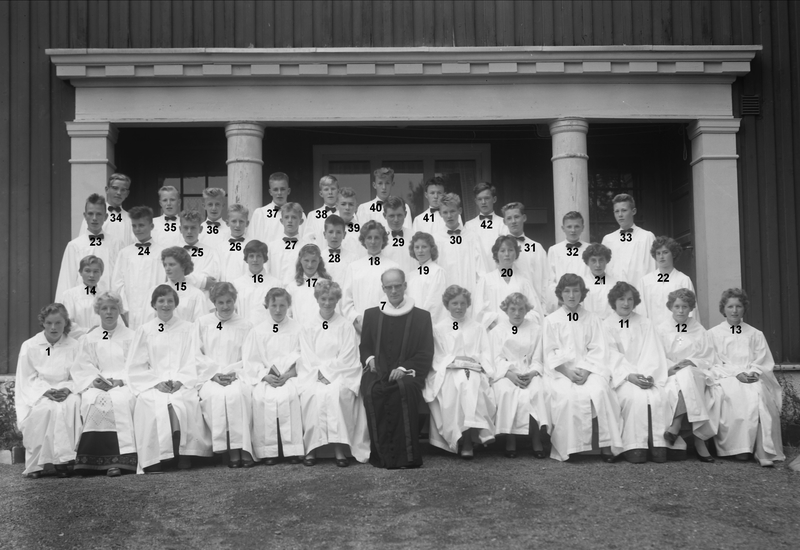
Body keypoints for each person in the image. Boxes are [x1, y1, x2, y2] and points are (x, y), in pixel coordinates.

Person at [127, 285, 212, 473]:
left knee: (185, 400)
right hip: (155, 383)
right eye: (161, 301)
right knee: (149, 402)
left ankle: (184, 453)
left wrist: (181, 380)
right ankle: (156, 456)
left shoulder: (188, 328)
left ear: (175, 304)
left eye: (170, 301)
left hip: (182, 381)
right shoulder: (145, 330)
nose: (165, 305)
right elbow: (136, 364)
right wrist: (156, 383)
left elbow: (194, 358)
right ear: (154, 304)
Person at [359, 268, 435, 468]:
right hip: (378, 371)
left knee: (404, 389)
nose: (393, 291)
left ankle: (407, 457)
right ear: (383, 288)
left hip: (408, 372)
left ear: (405, 286)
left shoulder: (421, 316)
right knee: (374, 390)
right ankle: (381, 456)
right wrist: (370, 359)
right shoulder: (372, 315)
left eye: (397, 286)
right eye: (389, 287)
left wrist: (404, 368)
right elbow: (365, 346)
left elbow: (426, 351)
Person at [543, 274, 622, 462]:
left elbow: (598, 348)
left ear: (582, 293)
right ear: (560, 294)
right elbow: (549, 351)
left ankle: (606, 445)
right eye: (567, 291)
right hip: (562, 371)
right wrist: (567, 372)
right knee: (568, 397)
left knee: (600, 391)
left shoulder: (592, 318)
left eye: (576, 291)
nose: (571, 296)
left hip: (590, 369)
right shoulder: (552, 320)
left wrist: (586, 370)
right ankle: (572, 447)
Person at [297, 280, 370, 466]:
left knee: (337, 393)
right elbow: (307, 357)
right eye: (323, 298)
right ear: (317, 299)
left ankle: (339, 448)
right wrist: (320, 374)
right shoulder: (308, 326)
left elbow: (349, 357)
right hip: (313, 376)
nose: (327, 303)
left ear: (337, 300)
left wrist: (328, 374)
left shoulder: (345, 325)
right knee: (313, 394)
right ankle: (312, 448)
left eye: (331, 299)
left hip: (341, 375)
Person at [709, 288, 784, 466]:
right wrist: (736, 374)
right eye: (730, 306)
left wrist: (754, 372)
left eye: (739, 306)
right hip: (726, 376)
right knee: (736, 395)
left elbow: (763, 360)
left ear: (744, 308)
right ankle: (739, 447)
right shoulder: (712, 334)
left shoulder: (755, 334)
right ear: (723, 309)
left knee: (758, 394)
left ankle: (763, 449)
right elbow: (712, 362)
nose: (734, 310)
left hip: (751, 376)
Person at [424, 285, 496, 459]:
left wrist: (476, 360)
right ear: (447, 305)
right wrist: (455, 360)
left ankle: (468, 440)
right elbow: (438, 357)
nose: (459, 307)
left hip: (474, 370)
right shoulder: (439, 328)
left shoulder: (477, 327)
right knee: (463, 382)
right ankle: (475, 432)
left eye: (463, 303)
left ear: (468, 304)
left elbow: (486, 353)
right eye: (454, 303)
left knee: (468, 381)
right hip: (448, 372)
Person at [602, 282, 670, 463]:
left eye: (630, 299)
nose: (626, 303)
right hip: (622, 377)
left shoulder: (645, 323)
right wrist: (628, 376)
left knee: (657, 397)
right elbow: (609, 355)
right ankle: (634, 446)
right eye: (621, 299)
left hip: (645, 374)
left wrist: (648, 375)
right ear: (614, 301)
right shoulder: (606, 325)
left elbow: (652, 351)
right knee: (633, 397)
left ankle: (657, 444)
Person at [71, 292, 137, 476]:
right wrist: (94, 380)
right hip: (97, 384)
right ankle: (89, 460)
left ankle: (120, 461)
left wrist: (121, 380)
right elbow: (83, 365)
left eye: (113, 308)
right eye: (104, 308)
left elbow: (137, 364)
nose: (109, 312)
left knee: (120, 401)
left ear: (119, 310)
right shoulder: (89, 338)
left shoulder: (132, 336)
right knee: (92, 401)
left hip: (124, 384)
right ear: (98, 311)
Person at [14, 304, 82, 478]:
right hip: (40, 391)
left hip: (67, 390)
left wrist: (68, 389)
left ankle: (63, 461)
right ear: (43, 323)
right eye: (49, 323)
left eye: (58, 323)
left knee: (70, 406)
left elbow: (79, 374)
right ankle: (36, 464)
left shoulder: (74, 345)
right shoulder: (30, 345)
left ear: (65, 323)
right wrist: (44, 391)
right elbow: (26, 377)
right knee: (44, 409)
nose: (53, 327)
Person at [194, 282, 256, 468]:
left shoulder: (245, 325)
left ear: (234, 301)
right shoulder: (203, 323)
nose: (225, 306)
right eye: (220, 302)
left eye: (229, 301)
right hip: (211, 376)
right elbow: (196, 354)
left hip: (237, 375)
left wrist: (234, 373)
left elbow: (250, 356)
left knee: (237, 395)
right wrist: (213, 374)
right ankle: (229, 450)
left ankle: (243, 448)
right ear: (214, 303)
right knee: (216, 396)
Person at [242, 287, 304, 465]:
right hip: (267, 378)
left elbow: (304, 356)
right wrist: (264, 376)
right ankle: (268, 451)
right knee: (262, 398)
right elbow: (251, 360)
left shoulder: (298, 329)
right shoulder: (258, 331)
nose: (278, 310)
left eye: (282, 305)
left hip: (290, 376)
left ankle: (292, 450)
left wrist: (290, 374)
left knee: (290, 396)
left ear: (288, 305)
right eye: (273, 305)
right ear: (267, 306)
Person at [655, 288, 717, 462]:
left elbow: (708, 356)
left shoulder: (699, 330)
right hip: (671, 373)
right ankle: (699, 440)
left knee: (688, 375)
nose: (681, 311)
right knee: (682, 379)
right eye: (677, 306)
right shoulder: (661, 330)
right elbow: (656, 355)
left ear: (691, 308)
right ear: (670, 307)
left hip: (695, 372)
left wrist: (691, 362)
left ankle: (675, 426)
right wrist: (670, 368)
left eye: (685, 306)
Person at [490, 293, 549, 458]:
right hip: (506, 373)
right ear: (506, 310)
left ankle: (536, 439)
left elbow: (538, 358)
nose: (517, 313)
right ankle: (510, 439)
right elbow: (495, 358)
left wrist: (532, 373)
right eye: (513, 309)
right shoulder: (497, 331)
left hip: (529, 371)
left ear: (526, 310)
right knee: (506, 392)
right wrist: (509, 374)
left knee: (537, 391)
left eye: (521, 309)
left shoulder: (536, 330)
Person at [56, 193, 122, 301]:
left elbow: (120, 279)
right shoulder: (74, 246)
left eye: (99, 214)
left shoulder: (116, 244)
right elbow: (66, 280)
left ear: (106, 217)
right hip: (81, 303)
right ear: (85, 216)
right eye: (90, 214)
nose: (94, 218)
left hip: (108, 304)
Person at [110, 205, 166, 330]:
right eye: (134, 226)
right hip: (129, 314)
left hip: (154, 313)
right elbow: (117, 284)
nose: (137, 229)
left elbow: (165, 285)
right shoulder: (125, 253)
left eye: (141, 225)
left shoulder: (161, 253)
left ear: (151, 226)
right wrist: (123, 310)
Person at [341, 220, 399, 334]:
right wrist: (356, 321)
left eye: (377, 238)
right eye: (369, 238)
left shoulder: (393, 267)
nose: (373, 242)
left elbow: (397, 298)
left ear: (383, 240)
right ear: (363, 240)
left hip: (386, 326)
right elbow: (346, 300)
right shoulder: (354, 267)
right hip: (358, 328)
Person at [474, 235, 542, 329]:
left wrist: (518, 324)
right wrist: (498, 329)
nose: (507, 254)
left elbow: (535, 311)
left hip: (520, 331)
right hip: (494, 332)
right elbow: (479, 311)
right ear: (496, 254)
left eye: (510, 250)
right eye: (502, 251)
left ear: (516, 253)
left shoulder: (523, 282)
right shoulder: (486, 280)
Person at [434, 193, 486, 296]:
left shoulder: (472, 237)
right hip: (445, 293)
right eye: (445, 212)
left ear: (460, 211)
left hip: (469, 291)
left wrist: (480, 295)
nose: (449, 216)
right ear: (440, 214)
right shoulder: (436, 239)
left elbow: (481, 271)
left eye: (452, 211)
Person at [638, 236, 696, 327]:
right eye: (658, 253)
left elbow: (691, 311)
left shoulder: (683, 280)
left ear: (673, 254)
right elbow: (641, 311)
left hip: (677, 331)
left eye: (665, 252)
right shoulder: (645, 281)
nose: (661, 257)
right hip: (653, 331)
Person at [501, 202, 548, 312]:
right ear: (504, 222)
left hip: (533, 307)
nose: (513, 221)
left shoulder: (537, 248)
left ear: (524, 218)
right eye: (509, 218)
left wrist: (544, 309)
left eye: (517, 217)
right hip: (508, 308)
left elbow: (545, 280)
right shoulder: (499, 249)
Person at [601, 193, 656, 285]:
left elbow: (653, 268)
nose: (620, 215)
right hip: (614, 290)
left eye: (624, 210)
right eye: (617, 211)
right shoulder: (608, 240)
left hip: (639, 290)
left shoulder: (647, 237)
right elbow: (602, 270)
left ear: (633, 211)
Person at [231, 240, 282, 326]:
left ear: (264, 259)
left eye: (259, 256)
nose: (255, 260)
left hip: (269, 331)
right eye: (251, 256)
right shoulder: (236, 285)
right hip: (243, 330)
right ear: (246, 259)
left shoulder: (276, 284)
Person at [547, 211, 590, 311]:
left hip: (586, 302)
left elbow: (593, 277)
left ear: (583, 228)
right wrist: (560, 297)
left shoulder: (589, 249)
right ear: (563, 228)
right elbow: (551, 278)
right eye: (569, 227)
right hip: (563, 302)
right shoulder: (554, 250)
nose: (573, 230)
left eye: (577, 226)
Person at [78, 173, 134, 247]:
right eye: (115, 188)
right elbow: (82, 242)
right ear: (107, 189)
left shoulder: (130, 219)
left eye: (123, 190)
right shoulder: (92, 215)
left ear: (127, 193)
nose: (118, 193)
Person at [250, 172, 306, 244]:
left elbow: (305, 239)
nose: (279, 193)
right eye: (275, 189)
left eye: (282, 189)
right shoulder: (260, 213)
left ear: (288, 191)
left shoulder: (299, 214)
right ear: (270, 192)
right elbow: (252, 240)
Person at [159, 247, 209, 323]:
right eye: (165, 265)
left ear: (183, 266)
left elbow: (202, 324)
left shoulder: (196, 295)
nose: (167, 268)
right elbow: (148, 323)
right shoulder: (155, 291)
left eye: (171, 264)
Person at [60, 255, 105, 340]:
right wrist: (89, 331)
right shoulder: (70, 295)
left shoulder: (105, 296)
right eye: (87, 271)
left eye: (96, 271)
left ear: (101, 273)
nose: (92, 275)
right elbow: (66, 322)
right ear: (80, 272)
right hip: (78, 341)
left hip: (102, 341)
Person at [287, 244, 333, 326]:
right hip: (299, 331)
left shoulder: (327, 285)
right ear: (300, 260)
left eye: (314, 261)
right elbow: (287, 314)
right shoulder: (292, 287)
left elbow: (333, 312)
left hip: (321, 330)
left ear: (319, 260)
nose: (310, 265)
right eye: (306, 260)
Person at [406, 231, 447, 324]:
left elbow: (435, 303)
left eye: (424, 247)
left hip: (428, 322)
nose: (420, 251)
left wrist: (422, 322)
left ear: (431, 249)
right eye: (417, 247)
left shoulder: (437, 272)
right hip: (412, 321)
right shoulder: (410, 275)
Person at [356, 167, 412, 234]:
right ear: (374, 185)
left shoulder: (403, 207)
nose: (384, 187)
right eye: (380, 183)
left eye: (387, 183)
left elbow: (408, 232)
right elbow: (361, 234)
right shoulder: (364, 208)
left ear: (392, 184)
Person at [464, 182, 505, 270]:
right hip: (477, 273)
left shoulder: (503, 223)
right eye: (480, 199)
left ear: (494, 199)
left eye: (487, 198)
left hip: (498, 271)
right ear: (476, 201)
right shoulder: (469, 226)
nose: (483, 202)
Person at [179, 209, 222, 293]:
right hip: (179, 297)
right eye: (186, 227)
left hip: (202, 298)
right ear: (180, 229)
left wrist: (183, 278)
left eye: (193, 227)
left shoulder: (211, 253)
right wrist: (202, 281)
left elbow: (211, 282)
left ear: (200, 229)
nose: (189, 231)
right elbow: (172, 279)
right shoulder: (173, 253)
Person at [267, 202, 307, 285]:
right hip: (276, 289)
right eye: (286, 217)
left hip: (298, 289)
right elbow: (267, 271)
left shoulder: (306, 247)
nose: (290, 221)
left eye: (294, 217)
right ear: (281, 221)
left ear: (301, 221)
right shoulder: (271, 247)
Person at [319, 214, 363, 283]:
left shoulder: (353, 258)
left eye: (338, 232)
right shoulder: (319, 258)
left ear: (344, 235)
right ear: (324, 234)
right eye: (331, 232)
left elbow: (356, 282)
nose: (334, 236)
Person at [580, 243, 619, 320]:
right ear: (587, 262)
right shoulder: (581, 283)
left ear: (607, 261)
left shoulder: (615, 284)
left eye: (601, 260)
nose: (598, 265)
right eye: (593, 260)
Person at [381, 196, 417, 274]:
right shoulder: (379, 238)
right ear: (384, 215)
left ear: (405, 214)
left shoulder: (415, 237)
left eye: (399, 215)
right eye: (391, 216)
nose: (396, 220)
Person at [217, 204, 252, 282]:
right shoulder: (220, 247)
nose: (237, 225)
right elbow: (217, 272)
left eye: (241, 221)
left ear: (247, 223)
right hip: (226, 287)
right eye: (234, 221)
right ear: (227, 223)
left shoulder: (253, 246)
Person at [303, 175, 340, 243]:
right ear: (321, 193)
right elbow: (308, 239)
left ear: (338, 192)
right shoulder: (313, 215)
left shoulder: (345, 214)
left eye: (333, 189)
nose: (330, 192)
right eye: (326, 189)